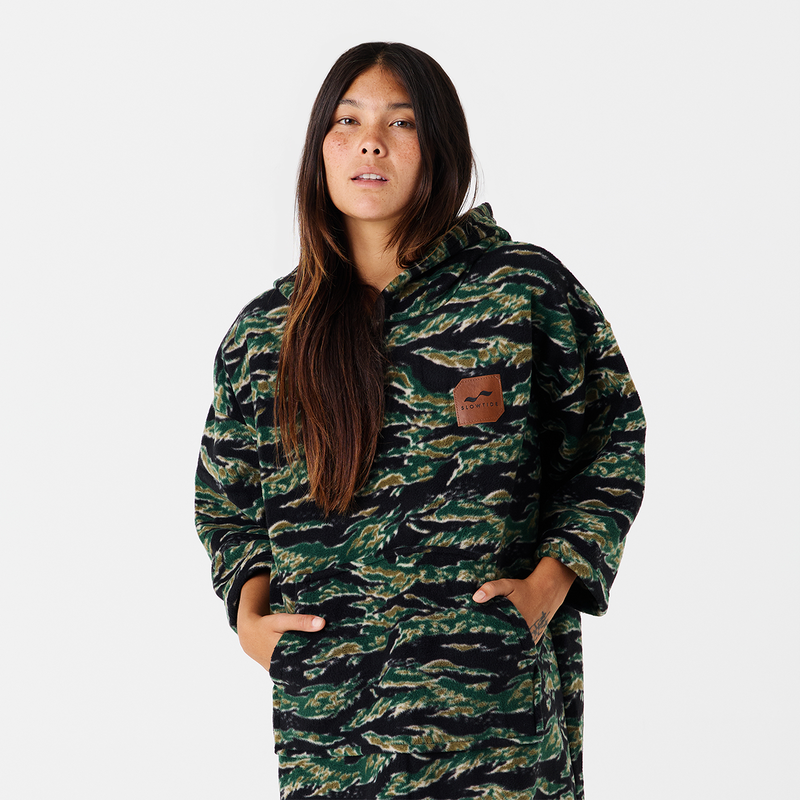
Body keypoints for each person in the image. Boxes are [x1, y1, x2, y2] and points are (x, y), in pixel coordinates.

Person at [195, 41, 645, 800]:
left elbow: (610, 444)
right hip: (332, 734)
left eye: (400, 123)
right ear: (320, 147)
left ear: (440, 147)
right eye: (348, 121)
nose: (371, 142)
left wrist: (549, 584)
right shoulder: (267, 335)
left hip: (498, 727)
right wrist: (250, 615)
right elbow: (226, 500)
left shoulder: (520, 293)